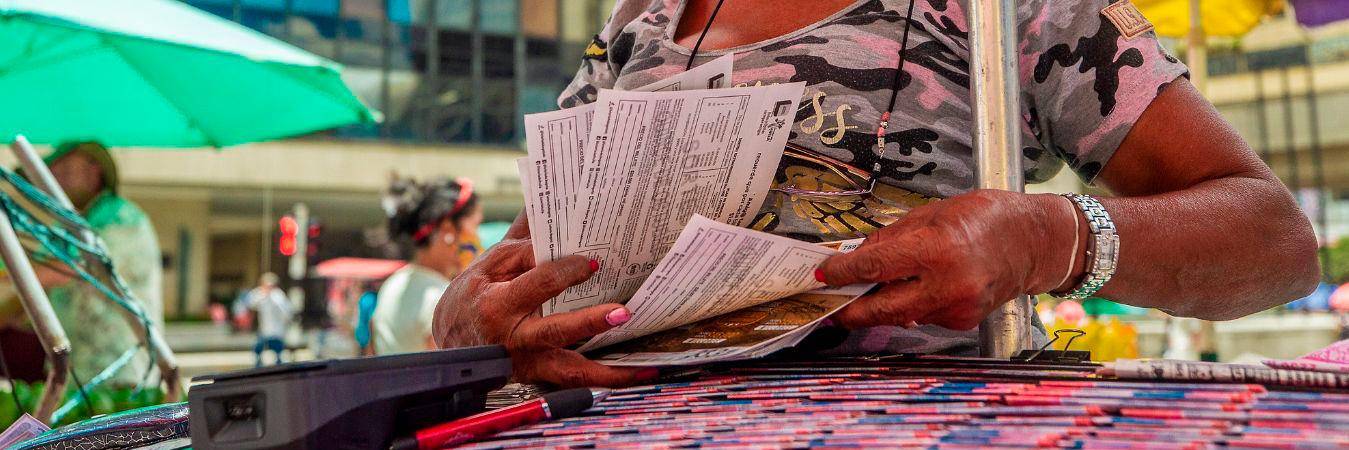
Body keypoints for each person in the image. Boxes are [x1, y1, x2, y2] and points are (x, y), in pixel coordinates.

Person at [433, 0, 1320, 386]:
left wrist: (1050, 239)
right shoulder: (643, 20)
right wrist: (474, 320)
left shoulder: (1021, 9)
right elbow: (526, 270)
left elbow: (1275, 242)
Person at [4, 141, 164, 385]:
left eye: (64, 171)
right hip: (75, 376)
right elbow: (37, 286)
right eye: (50, 174)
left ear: (94, 170)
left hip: (121, 375)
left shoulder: (118, 215)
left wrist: (10, 276)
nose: (56, 179)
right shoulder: (66, 226)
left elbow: (70, 269)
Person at [373, 177, 482, 354]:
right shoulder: (442, 299)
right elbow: (449, 375)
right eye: (475, 225)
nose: (478, 237)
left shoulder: (392, 284)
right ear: (448, 230)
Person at [245, 273, 292, 367]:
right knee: (259, 345)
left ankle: (278, 361)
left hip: (276, 327)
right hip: (263, 326)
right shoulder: (259, 293)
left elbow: (286, 310)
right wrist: (263, 295)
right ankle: (258, 361)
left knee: (277, 346)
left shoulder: (278, 295)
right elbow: (250, 303)